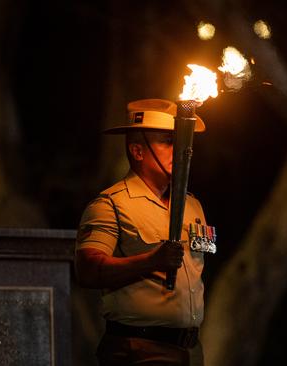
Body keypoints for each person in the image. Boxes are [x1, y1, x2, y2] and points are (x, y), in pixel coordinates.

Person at [74, 98, 210, 366]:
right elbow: (88, 270)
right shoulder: (110, 204)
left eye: (180, 141)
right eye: (167, 141)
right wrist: (151, 261)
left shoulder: (192, 205)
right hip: (139, 350)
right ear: (138, 151)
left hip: (191, 351)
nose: (179, 149)